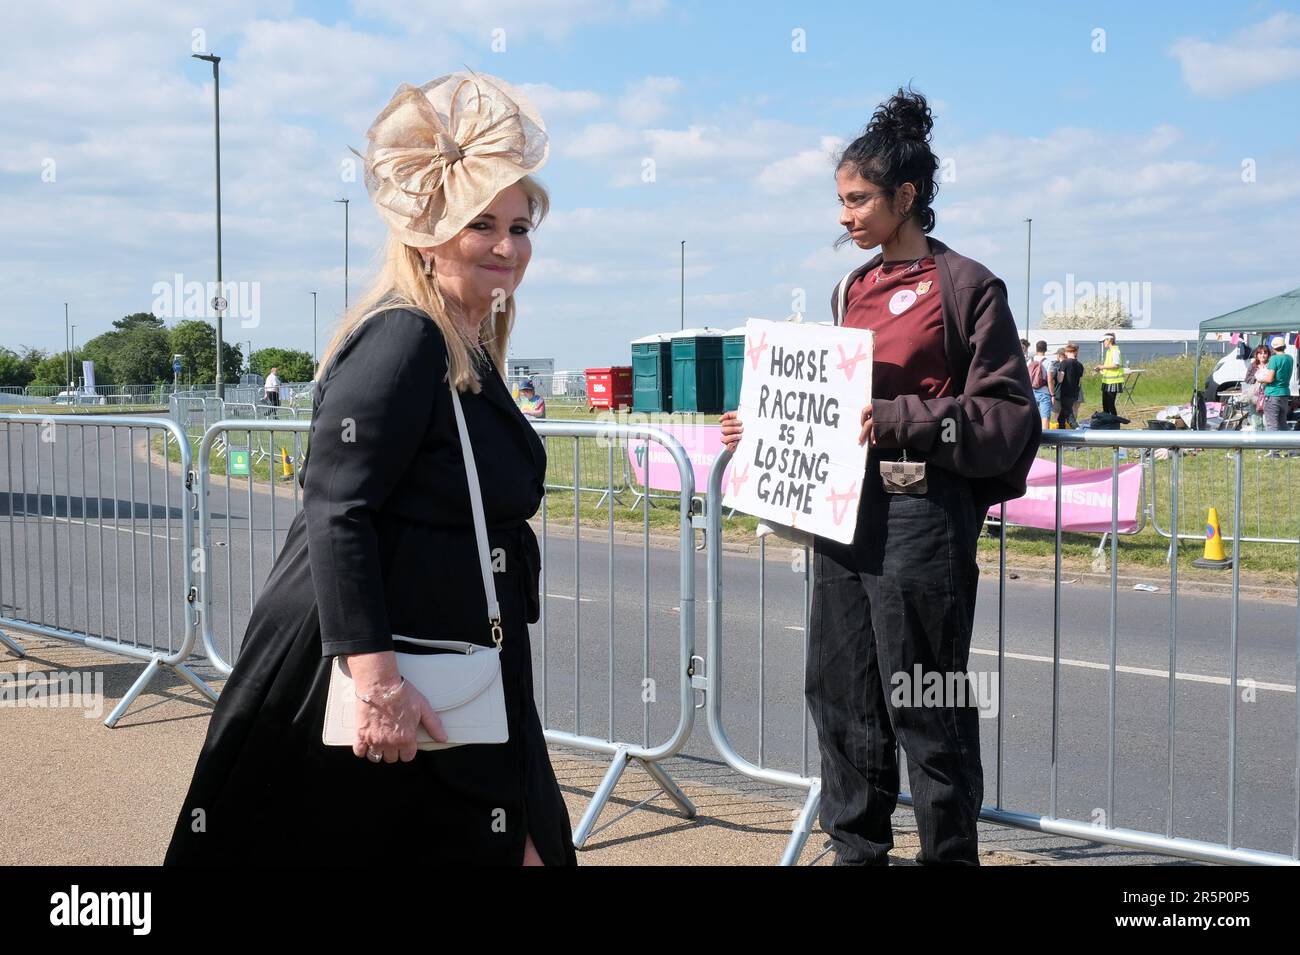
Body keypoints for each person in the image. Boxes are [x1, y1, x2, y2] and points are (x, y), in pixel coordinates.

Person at [165, 72, 576, 867]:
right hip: (392, 663)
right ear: (427, 232)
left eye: (520, 226)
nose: (507, 246)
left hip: (448, 661)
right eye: (481, 223)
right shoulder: (406, 338)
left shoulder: (461, 341)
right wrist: (379, 680)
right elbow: (336, 506)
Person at [719, 87, 1039, 865]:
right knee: (842, 698)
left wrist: (900, 421)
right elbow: (833, 395)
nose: (845, 215)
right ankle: (855, 853)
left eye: (859, 199)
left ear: (907, 195)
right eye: (839, 200)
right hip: (843, 520)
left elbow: (1007, 417)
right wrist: (762, 426)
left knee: (926, 706)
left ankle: (948, 856)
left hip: (923, 521)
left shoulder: (967, 288)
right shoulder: (849, 289)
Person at [1257, 335, 1296, 456]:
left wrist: (1259, 378)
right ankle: (1294, 448)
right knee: (1283, 424)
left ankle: (1274, 451)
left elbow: (1269, 378)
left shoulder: (1274, 359)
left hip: (1273, 394)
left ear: (1273, 348)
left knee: (1272, 424)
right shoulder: (1289, 358)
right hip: (1285, 394)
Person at [1055, 344, 1085, 429]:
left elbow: (1060, 379)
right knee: (1061, 417)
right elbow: (1080, 381)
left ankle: (1076, 428)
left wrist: (1057, 374)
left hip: (1065, 392)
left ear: (1067, 352)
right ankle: (1061, 433)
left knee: (1069, 413)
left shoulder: (1064, 363)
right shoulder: (1080, 365)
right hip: (1075, 393)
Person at [1243, 343, 1271, 431]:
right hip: (1255, 397)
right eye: (1260, 353)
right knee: (1256, 422)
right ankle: (1258, 442)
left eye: (1265, 353)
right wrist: (1256, 377)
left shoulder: (1271, 365)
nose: (1262, 355)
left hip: (1267, 396)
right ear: (1257, 355)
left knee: (1267, 422)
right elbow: (1247, 379)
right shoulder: (1253, 365)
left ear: (1268, 354)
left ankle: (1267, 443)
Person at [1096, 333, 1124, 416]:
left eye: (1104, 341)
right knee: (1105, 405)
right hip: (1107, 381)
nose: (1103, 343)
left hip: (1114, 381)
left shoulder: (1115, 350)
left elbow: (1116, 365)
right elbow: (1109, 367)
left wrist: (1102, 367)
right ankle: (1107, 424)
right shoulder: (1109, 351)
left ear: (1109, 340)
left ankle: (1114, 424)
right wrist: (1101, 370)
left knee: (1111, 405)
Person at [1029, 340, 1051, 428]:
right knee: (1045, 417)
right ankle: (1044, 441)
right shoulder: (1048, 362)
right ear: (1045, 349)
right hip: (1044, 392)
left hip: (1031, 391)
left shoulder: (1030, 361)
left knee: (1032, 416)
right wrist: (1052, 394)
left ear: (1036, 348)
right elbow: (1050, 379)